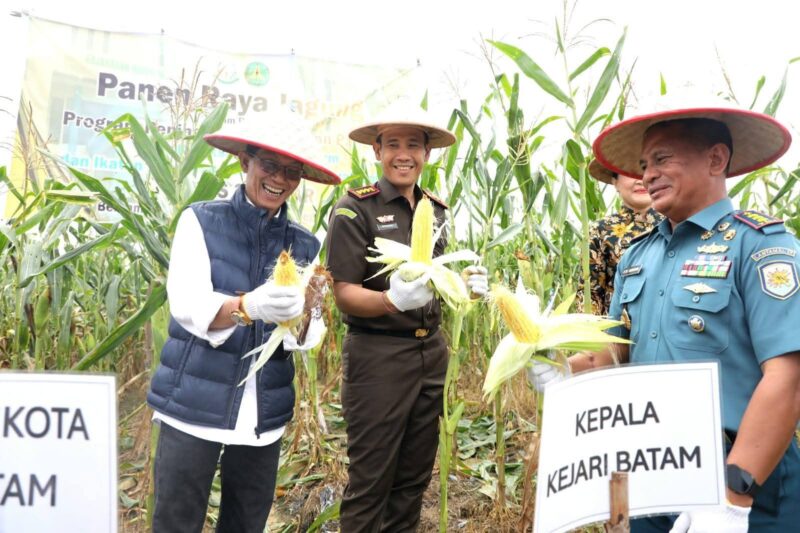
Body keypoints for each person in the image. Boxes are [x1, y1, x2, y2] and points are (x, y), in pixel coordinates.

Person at [530, 108, 800, 531]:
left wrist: (734, 495)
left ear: (715, 159)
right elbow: (613, 355)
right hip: (653, 473)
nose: (648, 174)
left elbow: (787, 376)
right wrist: (561, 370)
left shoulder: (762, 246)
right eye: (644, 165)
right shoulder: (637, 256)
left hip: (744, 476)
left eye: (662, 159)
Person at [146, 116, 340, 533]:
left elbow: (312, 330)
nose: (279, 180)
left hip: (262, 415)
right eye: (269, 165)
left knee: (246, 523)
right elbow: (187, 304)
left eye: (291, 172)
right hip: (192, 406)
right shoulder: (199, 221)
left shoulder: (305, 244)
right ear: (244, 162)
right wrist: (248, 306)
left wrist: (303, 317)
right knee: (176, 521)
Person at [324, 110, 488, 531]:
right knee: (371, 481)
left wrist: (462, 285)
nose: (403, 155)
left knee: (413, 479)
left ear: (427, 153)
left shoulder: (436, 211)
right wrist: (391, 301)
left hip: (430, 354)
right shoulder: (353, 209)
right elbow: (343, 293)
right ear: (376, 150)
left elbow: (434, 281)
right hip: (378, 357)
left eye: (413, 145)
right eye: (392, 144)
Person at [576, 159, 663, 315]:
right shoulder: (601, 231)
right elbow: (590, 294)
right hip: (619, 334)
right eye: (631, 172)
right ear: (615, 182)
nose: (639, 180)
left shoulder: (679, 223)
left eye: (644, 171)